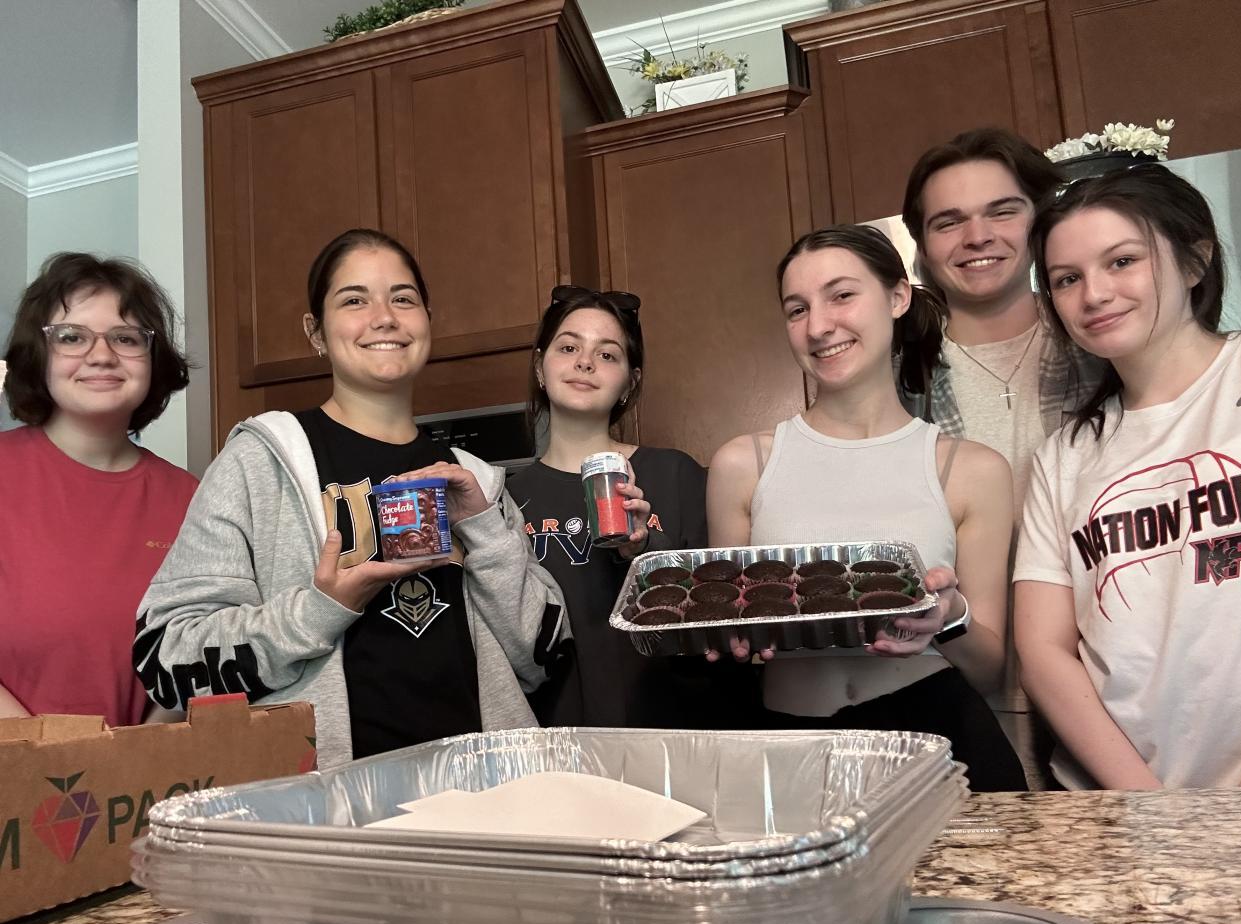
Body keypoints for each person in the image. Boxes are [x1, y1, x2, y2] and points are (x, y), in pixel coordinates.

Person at [133, 229, 566, 768]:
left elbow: (544, 658)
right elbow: (167, 660)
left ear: (427, 319)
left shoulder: (475, 480)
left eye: (402, 298)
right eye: (354, 300)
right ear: (315, 332)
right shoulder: (258, 463)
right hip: (325, 806)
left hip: (479, 795)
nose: (384, 317)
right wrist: (318, 611)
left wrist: (484, 530)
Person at [707, 224, 1027, 791]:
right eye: (797, 309)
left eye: (842, 295)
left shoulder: (972, 470)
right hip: (788, 754)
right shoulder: (742, 464)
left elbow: (989, 669)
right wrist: (728, 637)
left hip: (937, 744)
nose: (818, 326)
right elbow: (730, 633)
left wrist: (949, 615)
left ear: (897, 297)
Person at [1015, 164, 1241, 789]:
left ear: (1194, 261)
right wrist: (1150, 808)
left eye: (1122, 261)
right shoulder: (1064, 456)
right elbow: (1044, 651)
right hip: (1128, 809)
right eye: (1067, 278)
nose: (1094, 294)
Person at [900, 128, 1104, 783]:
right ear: (922, 246)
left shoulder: (1105, 340)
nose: (977, 236)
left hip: (1115, 695)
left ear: (1039, 219)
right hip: (959, 700)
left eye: (1002, 211)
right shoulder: (898, 377)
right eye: (948, 221)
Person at [508, 285, 752, 728]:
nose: (585, 362)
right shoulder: (506, 500)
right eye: (568, 347)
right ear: (540, 368)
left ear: (630, 383)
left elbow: (719, 615)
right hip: (557, 742)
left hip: (673, 731)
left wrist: (644, 548)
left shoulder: (676, 474)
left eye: (607, 354)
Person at [0, 253, 196, 725]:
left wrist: (138, 758)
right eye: (72, 337)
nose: (102, 355)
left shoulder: (191, 498)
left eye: (126, 338)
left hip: (145, 768)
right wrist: (48, 755)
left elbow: (194, 657)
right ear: (38, 354)